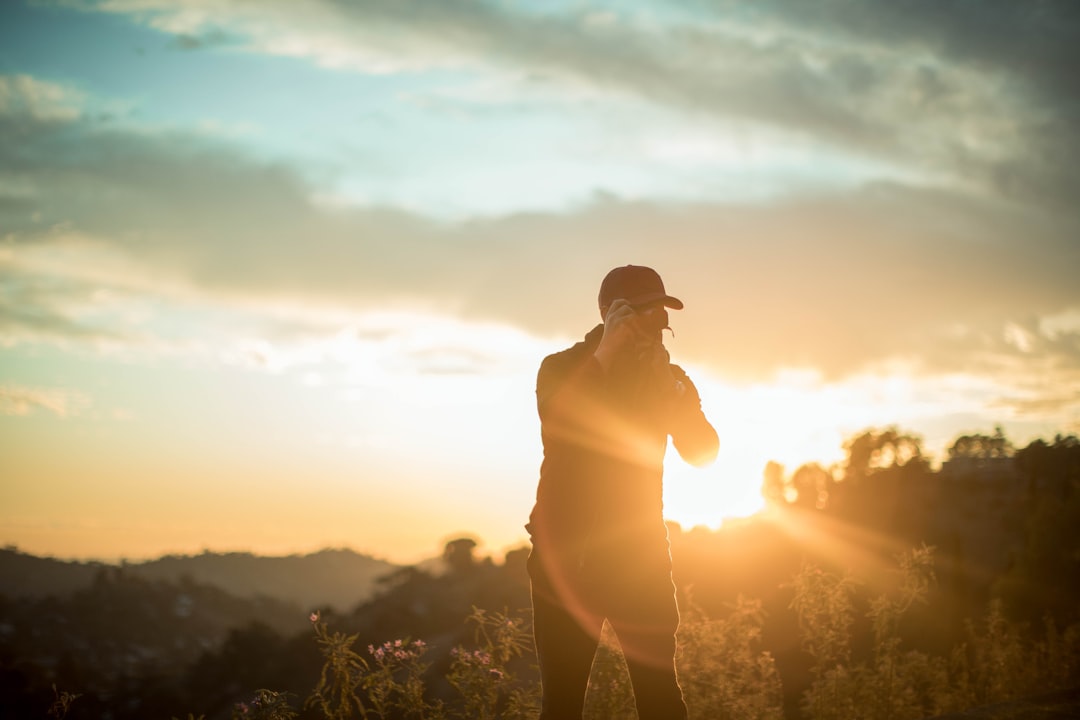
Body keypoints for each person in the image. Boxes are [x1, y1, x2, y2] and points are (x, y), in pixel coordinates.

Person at [526, 265, 720, 720]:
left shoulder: (668, 378)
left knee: (661, 700)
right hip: (565, 563)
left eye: (662, 319)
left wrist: (672, 398)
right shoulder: (562, 368)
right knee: (563, 704)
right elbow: (561, 429)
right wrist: (607, 355)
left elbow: (704, 452)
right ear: (611, 316)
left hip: (641, 559)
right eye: (646, 316)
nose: (658, 330)